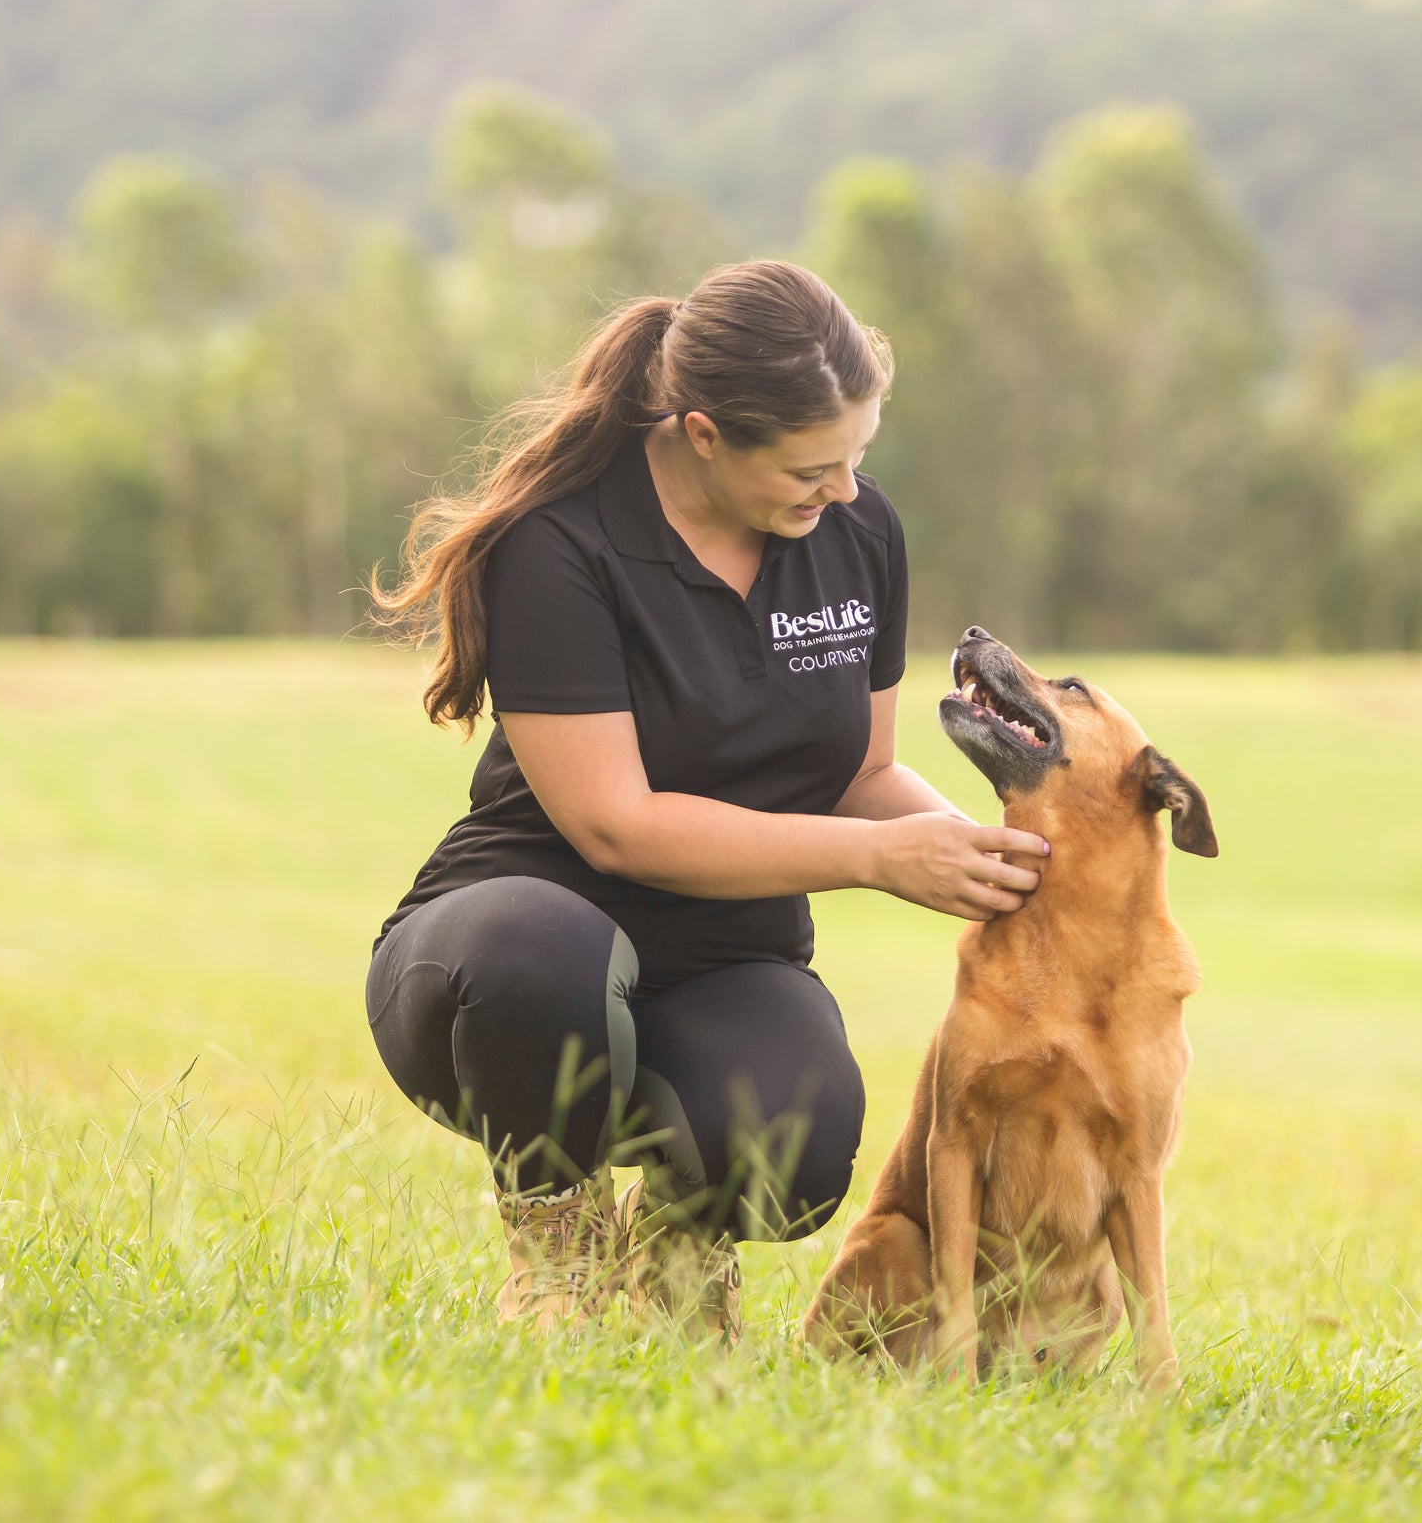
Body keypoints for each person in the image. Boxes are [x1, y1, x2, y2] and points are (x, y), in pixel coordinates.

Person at [365, 259, 1048, 1339]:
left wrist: (978, 854)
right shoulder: (560, 543)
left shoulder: (857, 534)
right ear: (700, 433)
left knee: (799, 1141)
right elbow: (616, 826)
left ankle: (678, 1255)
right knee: (544, 953)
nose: (843, 494)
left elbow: (863, 776)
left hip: (720, 956)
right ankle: (556, 1250)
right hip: (500, 961)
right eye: (811, 469)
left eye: (856, 460)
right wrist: (876, 861)